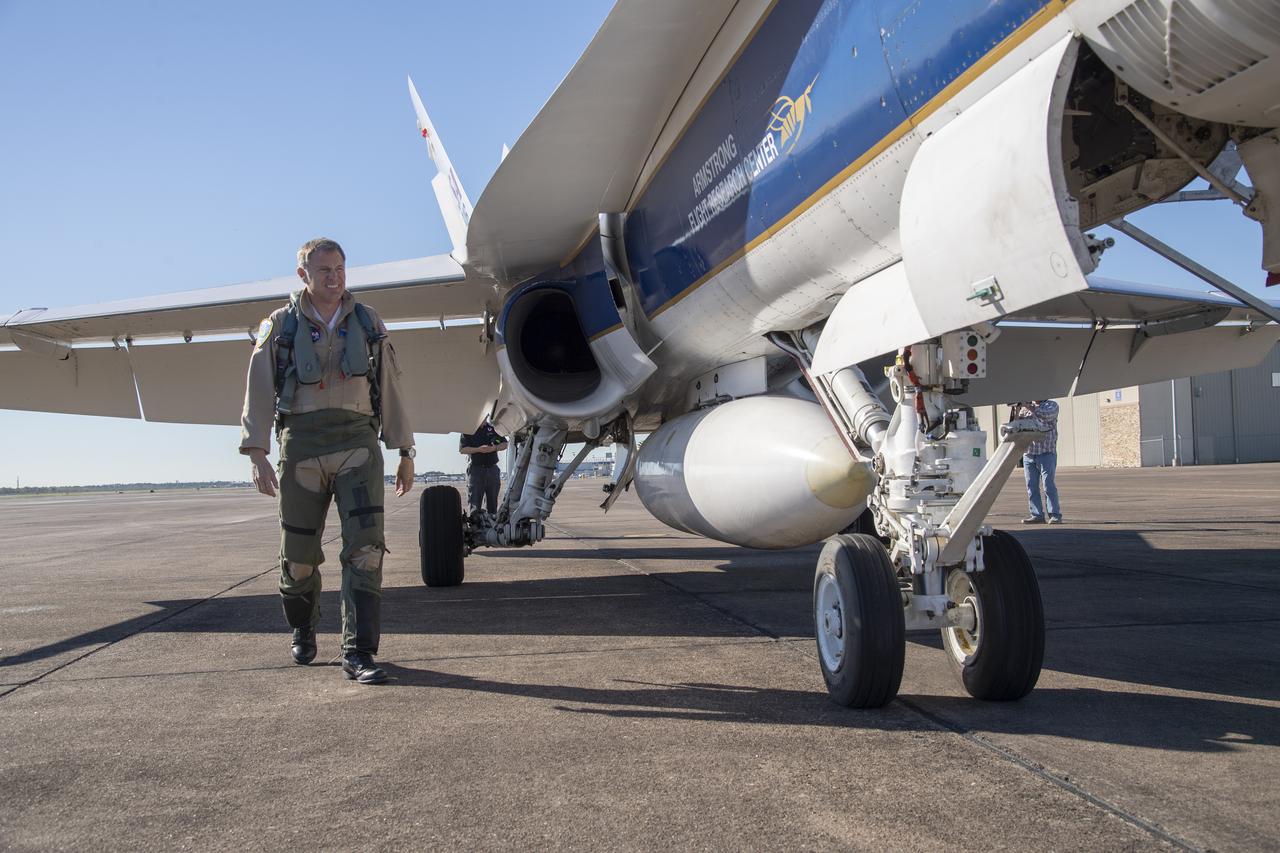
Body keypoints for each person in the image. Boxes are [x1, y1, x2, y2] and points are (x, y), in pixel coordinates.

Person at [240, 238, 416, 685]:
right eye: (323, 271)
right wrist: (257, 452)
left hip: (358, 443)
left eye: (339, 269)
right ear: (303, 275)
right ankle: (303, 624)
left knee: (366, 551)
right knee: (298, 557)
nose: (334, 278)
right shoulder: (280, 326)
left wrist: (405, 451)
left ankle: (358, 652)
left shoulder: (368, 322)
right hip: (301, 445)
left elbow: (389, 385)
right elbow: (259, 389)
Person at [1011, 399, 1062, 525]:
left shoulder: (1051, 405)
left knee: (1048, 485)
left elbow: (1044, 418)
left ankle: (1055, 515)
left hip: (1046, 452)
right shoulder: (1025, 408)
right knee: (1031, 486)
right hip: (1029, 452)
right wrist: (1017, 409)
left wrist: (1029, 407)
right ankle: (1037, 514)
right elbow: (1016, 424)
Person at [459, 418, 508, 515]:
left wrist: (494, 448)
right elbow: (462, 449)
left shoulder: (493, 429)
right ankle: (475, 525)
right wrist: (478, 449)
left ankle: (491, 523)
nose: (484, 419)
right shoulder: (468, 430)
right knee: (475, 503)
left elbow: (505, 443)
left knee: (492, 503)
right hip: (476, 470)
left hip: (492, 468)